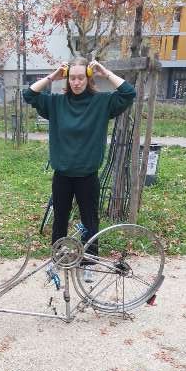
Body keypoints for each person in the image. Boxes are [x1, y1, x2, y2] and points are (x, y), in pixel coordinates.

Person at [23, 57, 136, 279]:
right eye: (72, 78)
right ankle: (58, 258)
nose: (76, 82)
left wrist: (105, 72)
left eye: (81, 78)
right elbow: (29, 95)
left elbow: (128, 93)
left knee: (89, 220)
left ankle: (89, 262)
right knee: (60, 219)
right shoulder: (56, 103)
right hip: (63, 174)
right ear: (67, 79)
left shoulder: (102, 103)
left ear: (88, 78)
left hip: (87, 175)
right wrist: (52, 76)